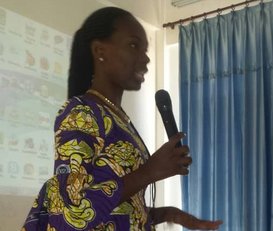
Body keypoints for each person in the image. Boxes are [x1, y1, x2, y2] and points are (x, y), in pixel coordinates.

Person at [21, 7, 223, 231]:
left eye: (146, 49)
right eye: (134, 45)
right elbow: (71, 214)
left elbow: (119, 211)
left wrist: (173, 214)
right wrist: (150, 171)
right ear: (100, 51)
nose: (145, 58)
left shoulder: (118, 118)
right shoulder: (81, 113)